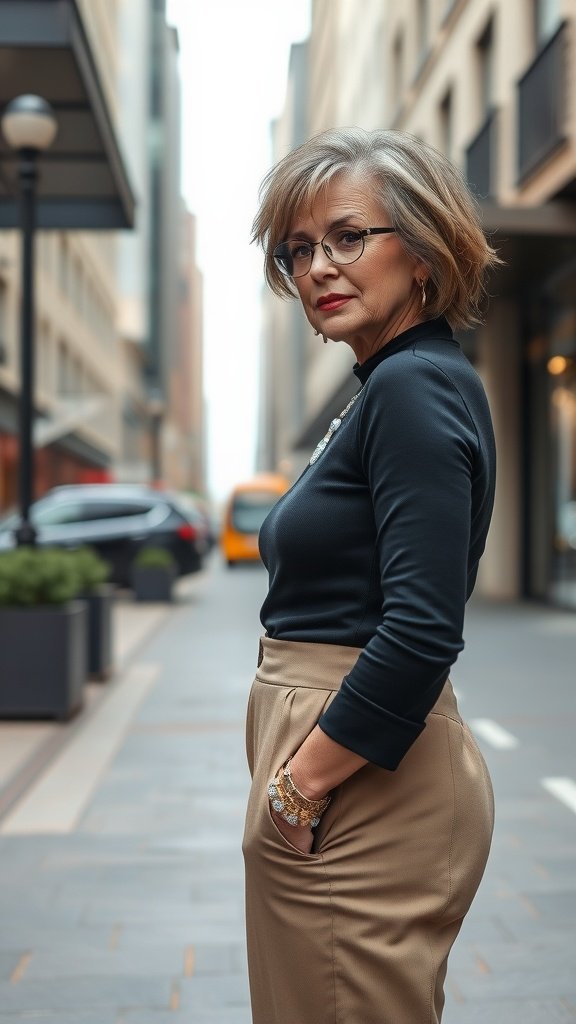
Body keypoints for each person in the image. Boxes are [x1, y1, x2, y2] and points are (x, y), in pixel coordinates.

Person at [242, 127, 499, 1024]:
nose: (319, 267)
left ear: (424, 252)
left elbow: (424, 625)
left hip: (355, 777)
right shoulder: (393, 383)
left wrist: (299, 783)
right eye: (299, 248)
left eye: (349, 237)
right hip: (343, 762)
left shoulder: (411, 386)